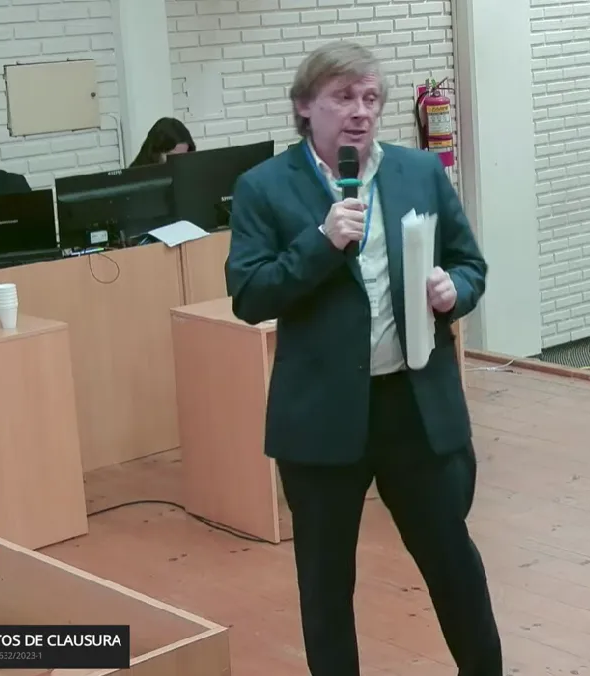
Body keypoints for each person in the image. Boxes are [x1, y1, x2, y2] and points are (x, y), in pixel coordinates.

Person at [223, 42, 501, 676]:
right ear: (305, 107)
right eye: (343, 97)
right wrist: (322, 244)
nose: (361, 111)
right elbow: (250, 294)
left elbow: (470, 263)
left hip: (414, 406)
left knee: (453, 563)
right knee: (325, 585)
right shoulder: (263, 187)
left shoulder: (418, 172)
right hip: (323, 415)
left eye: (371, 98)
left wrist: (454, 290)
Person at [129, 117, 196, 167]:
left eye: (184, 157)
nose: (179, 163)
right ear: (155, 153)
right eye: (173, 158)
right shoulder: (132, 178)